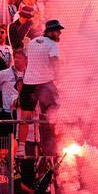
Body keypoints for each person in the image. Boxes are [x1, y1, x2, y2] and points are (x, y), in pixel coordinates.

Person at [19, 19, 62, 157]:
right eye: (57, 30)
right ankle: (51, 143)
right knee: (54, 109)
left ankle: (21, 146)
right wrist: (60, 73)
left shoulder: (32, 42)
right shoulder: (52, 44)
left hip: (29, 82)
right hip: (45, 83)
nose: (59, 33)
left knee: (25, 115)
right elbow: (54, 62)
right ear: (50, 32)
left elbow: (26, 56)